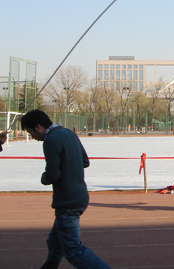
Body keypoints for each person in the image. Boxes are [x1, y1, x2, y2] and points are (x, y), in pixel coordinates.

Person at [20, 109, 111, 269]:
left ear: (38, 127)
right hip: (80, 195)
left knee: (73, 251)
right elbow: (85, 161)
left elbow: (52, 175)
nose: (32, 137)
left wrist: (44, 178)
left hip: (67, 200)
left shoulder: (50, 139)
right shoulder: (69, 133)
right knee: (55, 243)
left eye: (30, 132)